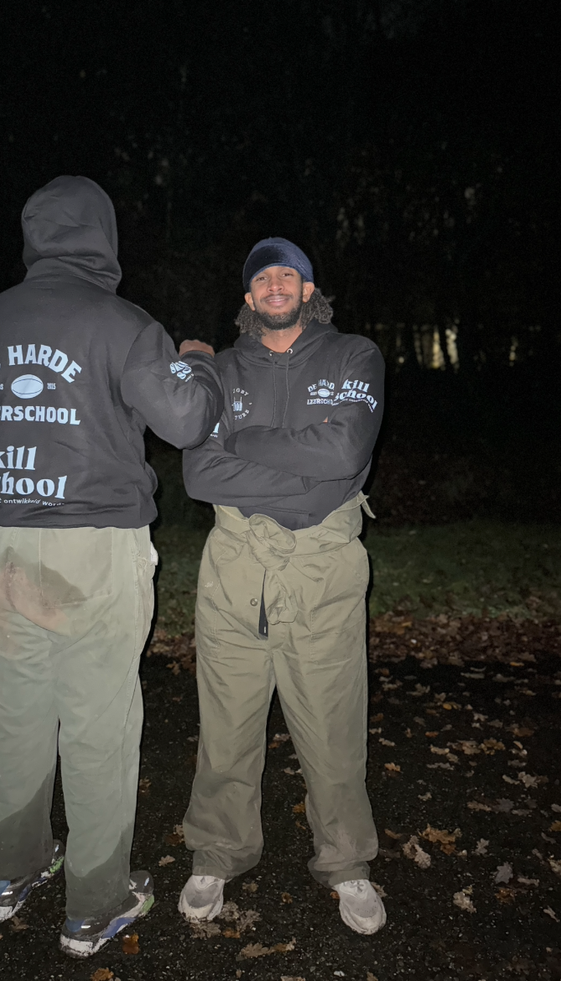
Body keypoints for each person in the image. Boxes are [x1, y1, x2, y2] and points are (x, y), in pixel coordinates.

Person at [0, 175, 223, 958]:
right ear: (103, 238)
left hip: (0, 543)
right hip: (90, 547)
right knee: (100, 722)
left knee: (17, 712)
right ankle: (96, 903)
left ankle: (8, 872)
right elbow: (187, 418)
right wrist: (196, 362)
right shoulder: (120, 322)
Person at [178, 237, 386, 935]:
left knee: (332, 725)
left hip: (324, 568)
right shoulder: (221, 369)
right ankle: (217, 848)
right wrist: (301, 466)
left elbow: (346, 450)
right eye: (261, 276)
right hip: (236, 565)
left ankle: (348, 860)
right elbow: (199, 474)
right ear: (247, 297)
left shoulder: (354, 354)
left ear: (308, 288)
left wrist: (243, 441)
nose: (274, 283)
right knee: (227, 724)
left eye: (287, 274)